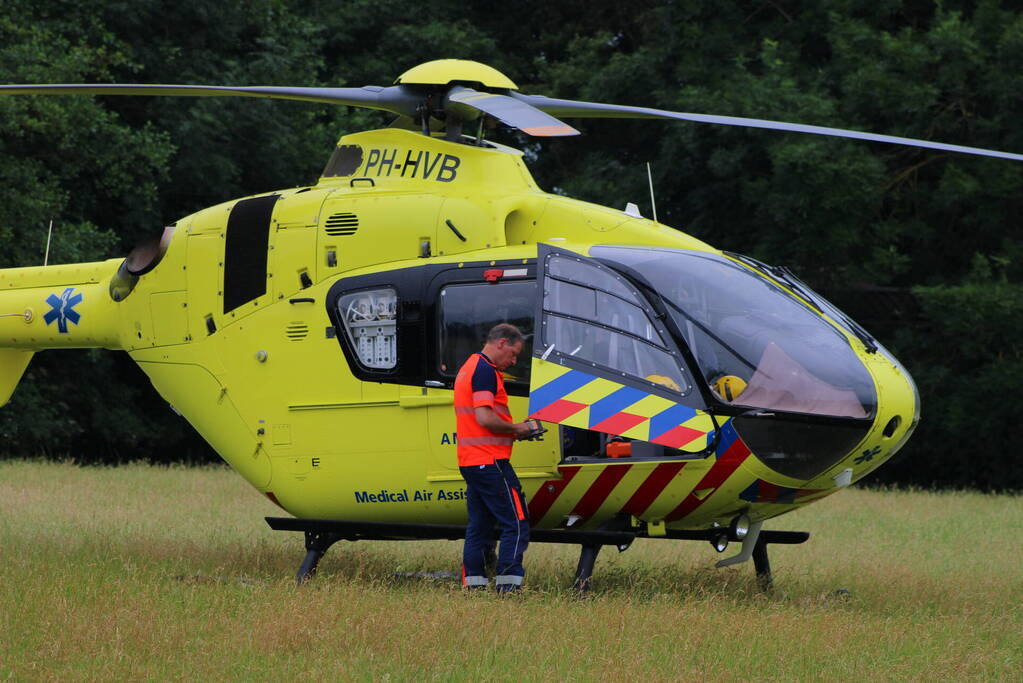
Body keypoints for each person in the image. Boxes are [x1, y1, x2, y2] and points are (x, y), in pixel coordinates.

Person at [454, 323, 537, 592]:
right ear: (501, 343)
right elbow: (485, 418)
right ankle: (509, 586)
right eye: (513, 354)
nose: (513, 361)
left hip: (471, 461)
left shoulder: (470, 366)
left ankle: (475, 585)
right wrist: (519, 429)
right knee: (516, 520)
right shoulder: (485, 371)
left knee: (479, 525)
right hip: (490, 461)